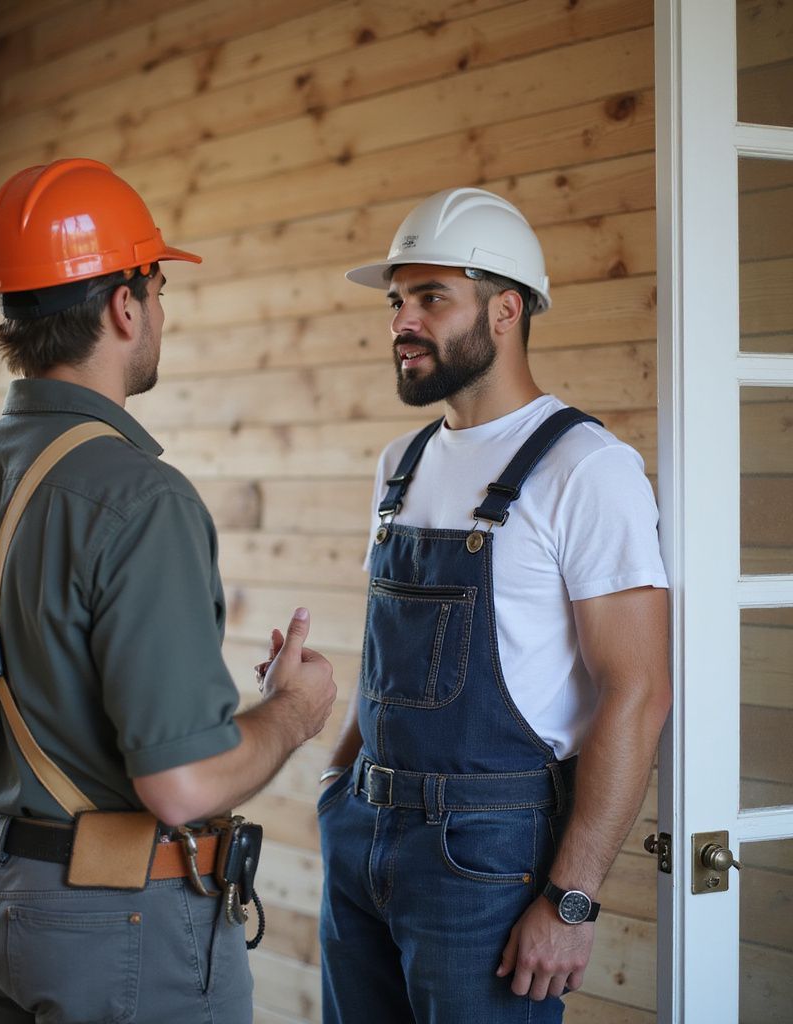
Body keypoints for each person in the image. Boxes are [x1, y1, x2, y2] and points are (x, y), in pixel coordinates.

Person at [0, 157, 336, 1024]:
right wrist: (292, 713)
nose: (160, 310)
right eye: (157, 286)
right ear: (125, 305)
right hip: (118, 925)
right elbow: (180, 787)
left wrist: (31, 813)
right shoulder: (141, 498)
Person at [314, 187, 671, 1023]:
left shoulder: (585, 467)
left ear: (506, 309)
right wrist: (340, 776)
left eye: (432, 297)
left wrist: (572, 898)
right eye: (399, 299)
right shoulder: (398, 464)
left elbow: (638, 691)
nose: (403, 320)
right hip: (363, 826)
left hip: (487, 858)